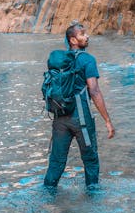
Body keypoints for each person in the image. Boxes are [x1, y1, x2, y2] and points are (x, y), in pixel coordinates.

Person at [43, 22, 115, 190]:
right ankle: (93, 202)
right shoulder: (87, 60)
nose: (87, 36)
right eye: (82, 34)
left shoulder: (60, 61)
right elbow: (94, 91)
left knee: (56, 163)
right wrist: (107, 121)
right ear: (73, 40)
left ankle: (47, 198)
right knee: (90, 161)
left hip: (60, 118)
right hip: (81, 120)